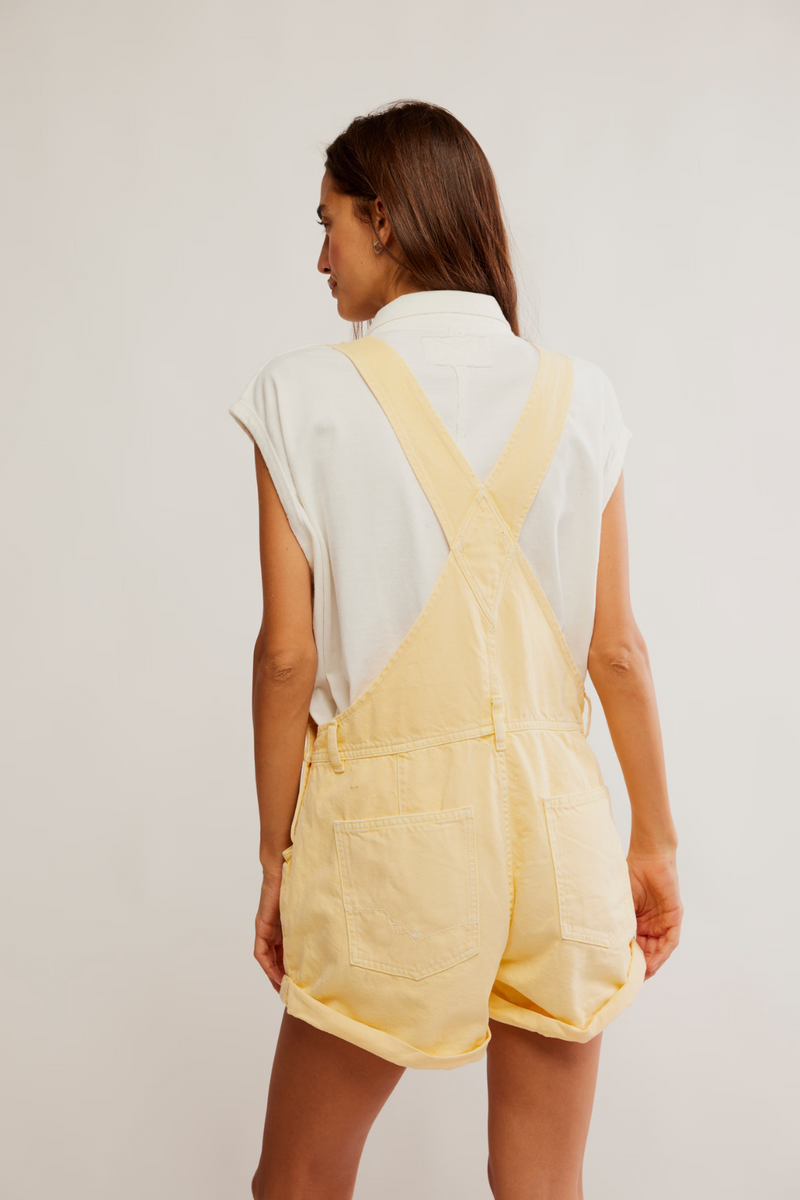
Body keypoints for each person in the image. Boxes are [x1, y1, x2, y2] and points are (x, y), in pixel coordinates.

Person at [228, 99, 682, 1200]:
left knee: (298, 1181)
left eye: (329, 222)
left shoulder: (302, 394)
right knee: (542, 1186)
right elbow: (617, 651)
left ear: (384, 219)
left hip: (387, 835)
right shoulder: (580, 394)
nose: (320, 257)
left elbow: (285, 659)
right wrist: (654, 842)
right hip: (561, 828)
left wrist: (277, 857)